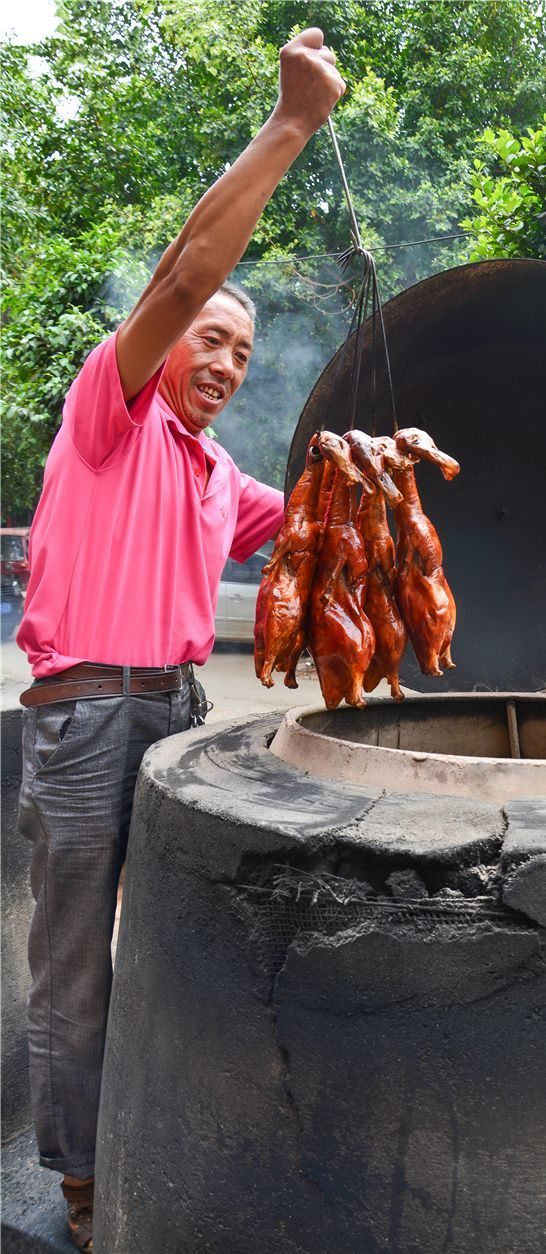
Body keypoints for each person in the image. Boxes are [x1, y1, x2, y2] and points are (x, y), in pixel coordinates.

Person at [14, 28, 345, 1252]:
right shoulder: (107, 407)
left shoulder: (218, 476)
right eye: (212, 338)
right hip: (88, 712)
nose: (225, 361)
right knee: (75, 968)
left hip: (174, 717)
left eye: (243, 356)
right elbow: (182, 274)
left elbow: (321, 509)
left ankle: (165, 1128)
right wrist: (291, 126)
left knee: (172, 936)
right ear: (169, 341)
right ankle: (85, 1183)